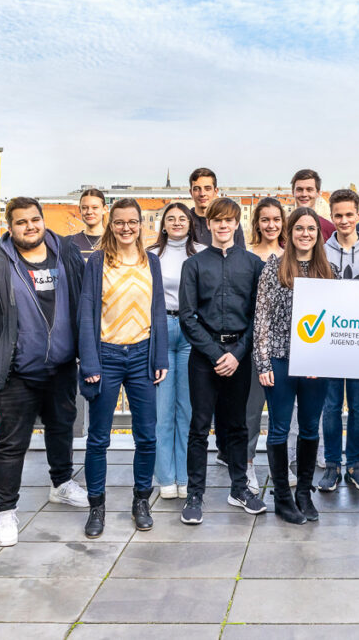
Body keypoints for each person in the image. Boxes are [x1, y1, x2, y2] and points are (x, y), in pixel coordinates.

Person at [0, 197, 89, 547]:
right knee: (11, 444)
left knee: (62, 430)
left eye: (35, 219)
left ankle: (61, 484)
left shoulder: (67, 255)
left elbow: (84, 301)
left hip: (62, 367)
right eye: (21, 222)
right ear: (10, 226)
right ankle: (5, 511)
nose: (30, 226)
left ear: (43, 220)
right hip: (17, 372)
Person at [78, 198, 170, 537]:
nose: (126, 228)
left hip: (143, 356)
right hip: (107, 356)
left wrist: (160, 356)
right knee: (98, 438)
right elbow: (86, 312)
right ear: (110, 224)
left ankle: (141, 500)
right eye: (119, 222)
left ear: (141, 224)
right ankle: (97, 506)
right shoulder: (98, 262)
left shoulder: (153, 262)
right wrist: (89, 361)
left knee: (147, 436)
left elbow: (157, 309)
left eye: (132, 222)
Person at [178, 198, 267, 525]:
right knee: (199, 426)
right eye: (217, 220)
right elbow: (187, 317)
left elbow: (259, 316)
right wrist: (217, 354)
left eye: (229, 220)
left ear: (236, 224)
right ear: (210, 223)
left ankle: (239, 488)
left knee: (237, 426)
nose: (223, 226)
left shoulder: (253, 263)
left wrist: (237, 354)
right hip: (205, 358)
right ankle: (195, 494)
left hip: (240, 357)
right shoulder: (195, 265)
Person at [254, 207, 340, 524]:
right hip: (278, 359)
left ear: (318, 235)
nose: (305, 234)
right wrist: (262, 362)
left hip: (315, 365)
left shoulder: (330, 272)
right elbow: (261, 319)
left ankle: (303, 492)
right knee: (278, 428)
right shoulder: (273, 269)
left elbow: (337, 321)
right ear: (289, 233)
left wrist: (328, 358)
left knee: (308, 427)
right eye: (299, 228)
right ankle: (283, 497)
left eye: (311, 229)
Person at [319, 189, 359, 492]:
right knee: (330, 406)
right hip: (329, 342)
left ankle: (357, 464)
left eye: (349, 214)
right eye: (338, 215)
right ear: (332, 217)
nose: (344, 220)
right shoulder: (321, 252)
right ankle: (331, 464)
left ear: (358, 215)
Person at [150, 203, 205, 500]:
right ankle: (166, 477)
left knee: (187, 408)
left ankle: (185, 476)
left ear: (190, 222)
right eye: (170, 218)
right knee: (162, 410)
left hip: (191, 330)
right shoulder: (150, 255)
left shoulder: (202, 251)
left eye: (182, 218)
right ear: (163, 224)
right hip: (160, 329)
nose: (176, 222)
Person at [244, 197, 287, 490]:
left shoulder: (291, 255)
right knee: (251, 409)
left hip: (285, 345)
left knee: (283, 411)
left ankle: (280, 466)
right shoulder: (246, 256)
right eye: (265, 220)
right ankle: (247, 466)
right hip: (254, 342)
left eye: (276, 219)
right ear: (257, 223)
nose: (271, 225)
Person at [187, 167, 247, 248]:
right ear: (191, 192)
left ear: (215, 191)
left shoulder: (229, 222)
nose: (202, 193)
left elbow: (241, 255)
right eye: (197, 189)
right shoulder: (185, 222)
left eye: (207, 189)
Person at [291, 168, 336, 239]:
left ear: (318, 193)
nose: (304, 194)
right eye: (299, 189)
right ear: (293, 192)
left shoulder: (330, 230)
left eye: (309, 190)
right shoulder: (282, 228)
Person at [68, 188, 108, 261]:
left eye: (95, 207)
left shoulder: (115, 241)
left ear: (104, 209)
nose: (89, 212)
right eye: (84, 208)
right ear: (79, 210)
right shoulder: (69, 243)